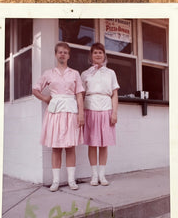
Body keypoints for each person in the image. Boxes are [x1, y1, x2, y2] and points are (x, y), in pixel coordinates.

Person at [32, 42, 84, 191]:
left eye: (65, 52)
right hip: (55, 113)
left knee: (70, 147)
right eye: (60, 52)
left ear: (69, 55)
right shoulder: (49, 73)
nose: (62, 54)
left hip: (70, 112)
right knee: (56, 147)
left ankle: (71, 180)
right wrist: (45, 98)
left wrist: (81, 113)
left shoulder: (74, 73)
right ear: (56, 54)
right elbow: (35, 89)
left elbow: (79, 94)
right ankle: (55, 181)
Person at [81, 42, 119, 186]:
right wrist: (80, 114)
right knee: (92, 143)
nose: (98, 55)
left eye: (100, 52)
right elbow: (81, 95)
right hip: (90, 110)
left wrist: (114, 113)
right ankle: (94, 175)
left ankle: (102, 176)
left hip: (106, 110)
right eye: (95, 52)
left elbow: (114, 94)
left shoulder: (110, 73)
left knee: (103, 145)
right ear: (91, 56)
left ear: (104, 56)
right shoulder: (85, 74)